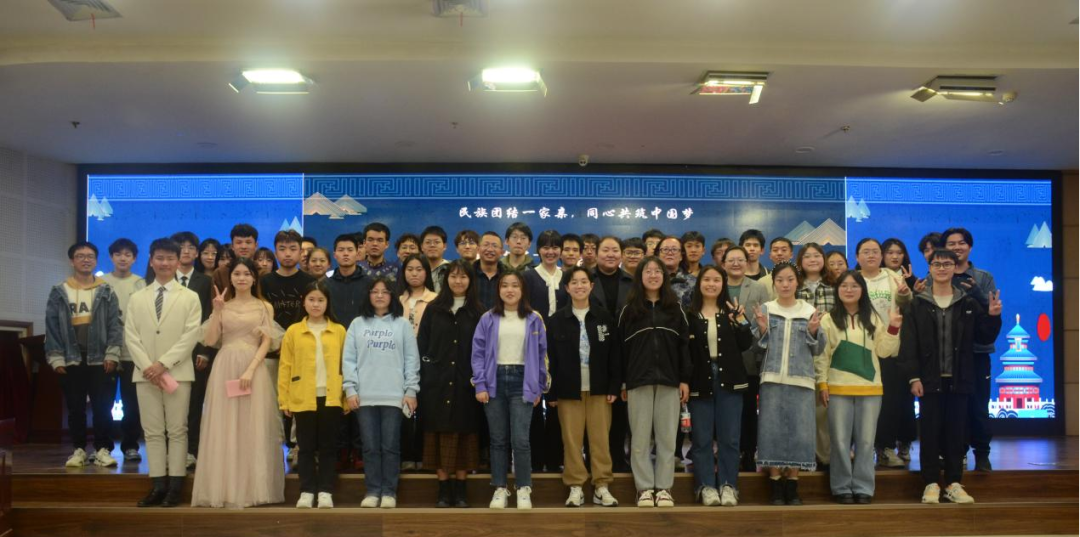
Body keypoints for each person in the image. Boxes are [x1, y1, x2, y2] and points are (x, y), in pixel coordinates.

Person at [901, 249, 1002, 504]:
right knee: (930, 433)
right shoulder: (917, 303)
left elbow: (984, 337)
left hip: (960, 379)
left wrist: (993, 316)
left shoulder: (968, 303)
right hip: (928, 379)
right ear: (930, 268)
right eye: (937, 264)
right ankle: (931, 484)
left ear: (955, 268)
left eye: (947, 264)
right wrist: (914, 378)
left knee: (957, 434)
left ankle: (954, 483)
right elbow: (909, 344)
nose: (942, 268)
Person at [191, 257, 285, 508]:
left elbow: (267, 342)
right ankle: (225, 488)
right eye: (237, 274)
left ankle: (252, 489)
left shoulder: (264, 307)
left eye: (246, 274)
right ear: (230, 278)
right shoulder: (223, 305)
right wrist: (217, 311)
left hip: (253, 368)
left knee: (253, 426)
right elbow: (211, 340)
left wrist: (250, 370)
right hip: (225, 366)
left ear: (254, 278)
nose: (241, 278)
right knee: (225, 425)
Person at [124, 238, 203, 508]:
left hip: (177, 373)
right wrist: (148, 366)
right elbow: (131, 336)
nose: (165, 263)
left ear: (178, 261)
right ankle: (158, 485)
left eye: (170, 258)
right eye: (159, 258)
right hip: (144, 374)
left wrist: (163, 364)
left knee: (178, 430)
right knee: (153, 432)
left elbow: (190, 335)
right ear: (151, 261)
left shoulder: (190, 297)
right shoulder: (137, 297)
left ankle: (175, 487)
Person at [815, 271, 902, 504]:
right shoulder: (828, 319)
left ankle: (864, 487)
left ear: (862, 290)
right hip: (837, 388)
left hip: (870, 389)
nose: (849, 290)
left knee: (866, 441)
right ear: (837, 290)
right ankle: (841, 487)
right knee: (839, 441)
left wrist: (893, 328)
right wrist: (822, 383)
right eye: (844, 285)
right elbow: (822, 356)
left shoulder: (873, 317)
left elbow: (884, 351)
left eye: (854, 286)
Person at [471, 271, 548, 510]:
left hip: (523, 381)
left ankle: (523, 488)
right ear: (499, 290)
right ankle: (499, 488)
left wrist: (539, 386)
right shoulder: (487, 318)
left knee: (521, 440)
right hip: (494, 380)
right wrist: (480, 384)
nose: (510, 290)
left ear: (523, 290)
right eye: (505, 285)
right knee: (498, 439)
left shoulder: (534, 318)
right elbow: (478, 354)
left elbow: (542, 354)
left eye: (515, 285)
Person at [751, 262, 826, 506]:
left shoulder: (808, 310)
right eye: (780, 280)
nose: (785, 284)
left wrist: (813, 331)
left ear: (797, 282)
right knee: (770, 430)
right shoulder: (766, 309)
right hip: (771, 378)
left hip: (802, 379)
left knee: (800, 432)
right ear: (773, 283)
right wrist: (763, 329)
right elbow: (755, 347)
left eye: (790, 279)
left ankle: (792, 483)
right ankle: (775, 483)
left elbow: (818, 348)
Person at [546, 266, 621, 507]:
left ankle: (601, 486)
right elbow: (550, 359)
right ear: (567, 288)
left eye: (584, 281)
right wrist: (552, 392)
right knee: (572, 441)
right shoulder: (557, 320)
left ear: (591, 286)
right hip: (568, 390)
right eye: (574, 282)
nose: (579, 286)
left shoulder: (604, 317)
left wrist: (614, 386)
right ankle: (576, 485)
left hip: (600, 388)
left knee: (600, 440)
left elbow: (614, 354)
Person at [619, 256, 690, 508]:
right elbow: (620, 351)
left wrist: (684, 379)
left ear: (664, 276)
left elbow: (684, 347)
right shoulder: (629, 310)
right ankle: (644, 489)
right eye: (647, 271)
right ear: (640, 277)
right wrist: (623, 381)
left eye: (657, 271)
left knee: (667, 439)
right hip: (638, 381)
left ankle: (664, 489)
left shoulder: (675, 309)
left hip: (670, 381)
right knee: (639, 439)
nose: (652, 275)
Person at [342, 277, 420, 508]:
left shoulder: (402, 324)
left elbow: (412, 359)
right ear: (368, 295)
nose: (379, 295)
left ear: (392, 296)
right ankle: (373, 491)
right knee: (370, 447)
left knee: (390, 446)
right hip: (364, 395)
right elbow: (348, 359)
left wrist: (411, 390)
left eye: (385, 292)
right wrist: (350, 389)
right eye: (374, 291)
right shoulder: (357, 324)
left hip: (394, 396)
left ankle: (389, 492)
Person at [47, 241, 123, 468]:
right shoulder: (59, 290)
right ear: (72, 261)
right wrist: (56, 357)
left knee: (103, 407)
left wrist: (112, 354)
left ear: (96, 260)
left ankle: (102, 450)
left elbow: (115, 325)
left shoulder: (106, 290)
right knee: (76, 408)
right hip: (72, 357)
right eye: (80, 256)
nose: (86, 260)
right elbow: (52, 326)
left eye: (90, 256)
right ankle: (78, 449)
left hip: (101, 358)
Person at [417, 260, 484, 508]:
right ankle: (444, 490)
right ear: (446, 280)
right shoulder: (434, 309)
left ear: (471, 281)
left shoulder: (478, 311)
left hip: (467, 384)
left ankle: (461, 490)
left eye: (463, 277)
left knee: (464, 436)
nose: (458, 281)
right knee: (438, 435)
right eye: (453, 276)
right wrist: (428, 373)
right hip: (437, 383)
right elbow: (422, 345)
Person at [686, 265, 753, 507]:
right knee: (702, 438)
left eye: (716, 280)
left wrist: (740, 320)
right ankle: (705, 486)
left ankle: (728, 485)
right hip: (700, 380)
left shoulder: (731, 311)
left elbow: (746, 343)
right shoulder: (689, 314)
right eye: (707, 279)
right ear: (699, 283)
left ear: (723, 284)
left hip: (731, 380)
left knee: (730, 438)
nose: (711, 284)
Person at [279, 281, 347, 509]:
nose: (316, 304)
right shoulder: (293, 331)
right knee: (305, 448)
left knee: (328, 447)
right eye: (311, 300)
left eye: (320, 300)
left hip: (331, 396)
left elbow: (346, 364)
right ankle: (307, 491)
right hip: (302, 396)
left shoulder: (339, 330)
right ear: (304, 302)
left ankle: (326, 491)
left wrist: (346, 396)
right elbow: (285, 367)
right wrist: (284, 399)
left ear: (328, 303)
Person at [942, 227, 998, 472]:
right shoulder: (937, 275)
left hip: (977, 352)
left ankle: (982, 454)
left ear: (970, 247)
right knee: (953, 408)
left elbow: (992, 309)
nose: (957, 247)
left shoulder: (983, 277)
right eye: (951, 243)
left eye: (961, 243)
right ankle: (957, 452)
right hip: (948, 354)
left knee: (978, 406)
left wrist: (977, 293)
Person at [855, 238, 913, 469]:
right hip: (860, 347)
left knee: (889, 401)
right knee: (860, 402)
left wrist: (905, 294)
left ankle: (885, 447)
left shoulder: (893, 277)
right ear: (857, 256)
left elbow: (906, 304)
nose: (871, 255)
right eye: (865, 251)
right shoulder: (852, 279)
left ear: (881, 256)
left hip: (889, 344)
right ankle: (860, 448)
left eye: (875, 251)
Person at [261, 230, 317, 467]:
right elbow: (261, 317)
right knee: (271, 402)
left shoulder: (309, 282)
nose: (287, 254)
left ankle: (296, 446)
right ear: (275, 252)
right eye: (282, 249)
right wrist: (275, 342)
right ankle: (272, 446)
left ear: (300, 252)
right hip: (270, 352)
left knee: (300, 400)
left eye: (293, 249)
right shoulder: (264, 282)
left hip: (301, 351)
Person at [721, 246, 770, 472]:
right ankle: (723, 450)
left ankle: (749, 451)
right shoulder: (715, 284)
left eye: (740, 259)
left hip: (749, 356)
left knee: (749, 408)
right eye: (731, 260)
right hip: (721, 356)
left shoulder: (758, 288)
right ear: (723, 263)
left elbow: (765, 322)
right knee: (724, 409)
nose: (736, 263)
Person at [169, 232, 214, 471]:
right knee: (170, 403)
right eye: (181, 247)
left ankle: (191, 450)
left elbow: (209, 316)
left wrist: (204, 350)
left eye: (190, 247)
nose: (185, 251)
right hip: (167, 353)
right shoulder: (163, 279)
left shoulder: (205, 281)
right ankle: (170, 449)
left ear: (197, 253)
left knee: (194, 403)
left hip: (196, 353)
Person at [522, 230, 565, 472]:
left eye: (555, 247)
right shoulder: (528, 277)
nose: (550, 251)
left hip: (561, 349)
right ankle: (535, 462)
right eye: (546, 247)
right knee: (533, 404)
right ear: (538, 250)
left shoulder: (567, 276)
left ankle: (555, 459)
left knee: (558, 404)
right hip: (533, 347)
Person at [324, 233, 368, 472]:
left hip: (364, 349)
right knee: (337, 399)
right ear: (335, 254)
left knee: (360, 399)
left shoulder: (370, 283)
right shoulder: (325, 284)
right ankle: (341, 450)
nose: (346, 254)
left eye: (350, 249)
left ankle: (359, 450)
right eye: (341, 250)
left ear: (358, 253)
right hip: (334, 348)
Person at [101, 238, 147, 462]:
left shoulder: (141, 283)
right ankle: (103, 447)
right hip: (106, 352)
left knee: (132, 403)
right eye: (118, 254)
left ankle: (130, 446)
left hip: (133, 353)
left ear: (134, 258)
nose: (123, 258)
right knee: (104, 402)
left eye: (128, 254)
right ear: (111, 257)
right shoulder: (100, 282)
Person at [591, 236, 634, 473]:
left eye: (615, 250)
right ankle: (593, 459)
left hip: (625, 350)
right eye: (605, 250)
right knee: (595, 409)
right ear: (596, 253)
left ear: (621, 254)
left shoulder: (632, 281)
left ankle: (618, 457)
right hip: (593, 351)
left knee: (620, 408)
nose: (610, 254)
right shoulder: (585, 278)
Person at [795, 242, 835, 467]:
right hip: (799, 353)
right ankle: (803, 457)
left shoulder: (834, 286)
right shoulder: (794, 286)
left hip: (828, 353)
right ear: (800, 262)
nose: (812, 259)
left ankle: (824, 458)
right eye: (807, 256)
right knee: (801, 410)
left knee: (823, 410)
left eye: (817, 255)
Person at [398, 254, 436, 471]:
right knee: (403, 409)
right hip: (399, 362)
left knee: (425, 409)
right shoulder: (396, 300)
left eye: (419, 269)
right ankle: (406, 455)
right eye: (410, 269)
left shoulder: (436, 299)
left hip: (428, 360)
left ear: (426, 273)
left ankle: (423, 455)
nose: (414, 273)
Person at [211, 223, 259, 297]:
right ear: (232, 246)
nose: (244, 246)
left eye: (248, 242)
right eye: (239, 242)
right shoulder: (220, 273)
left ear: (256, 245)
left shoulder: (263, 273)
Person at [658, 236, 695, 308]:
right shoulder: (651, 279)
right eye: (665, 249)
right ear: (658, 255)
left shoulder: (693, 282)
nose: (669, 253)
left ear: (681, 256)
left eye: (674, 249)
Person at [474, 231, 504, 311]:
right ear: (478, 249)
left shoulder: (507, 275)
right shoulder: (468, 273)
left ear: (501, 252)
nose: (490, 249)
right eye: (486, 245)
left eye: (495, 246)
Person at [420, 226, 451, 291]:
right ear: (422, 247)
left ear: (444, 246)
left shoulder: (452, 269)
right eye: (428, 242)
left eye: (437, 242)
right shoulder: (416, 271)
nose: (432, 245)